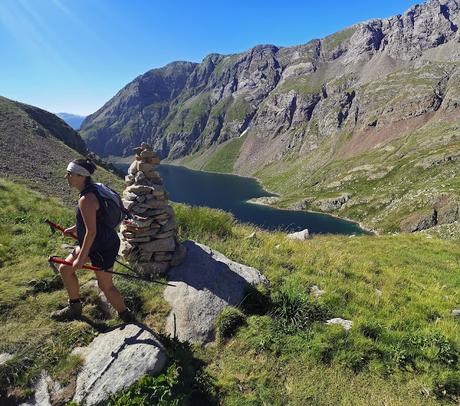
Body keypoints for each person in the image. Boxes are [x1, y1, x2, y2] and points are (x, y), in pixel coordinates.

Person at [51, 158, 134, 323]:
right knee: (65, 269)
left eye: (70, 174)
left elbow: (91, 232)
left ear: (81, 176)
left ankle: (126, 316)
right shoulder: (93, 190)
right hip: (99, 242)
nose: (66, 177)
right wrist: (75, 228)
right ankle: (75, 307)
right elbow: (94, 218)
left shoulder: (86, 199)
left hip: (102, 247)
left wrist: (82, 258)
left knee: (106, 286)